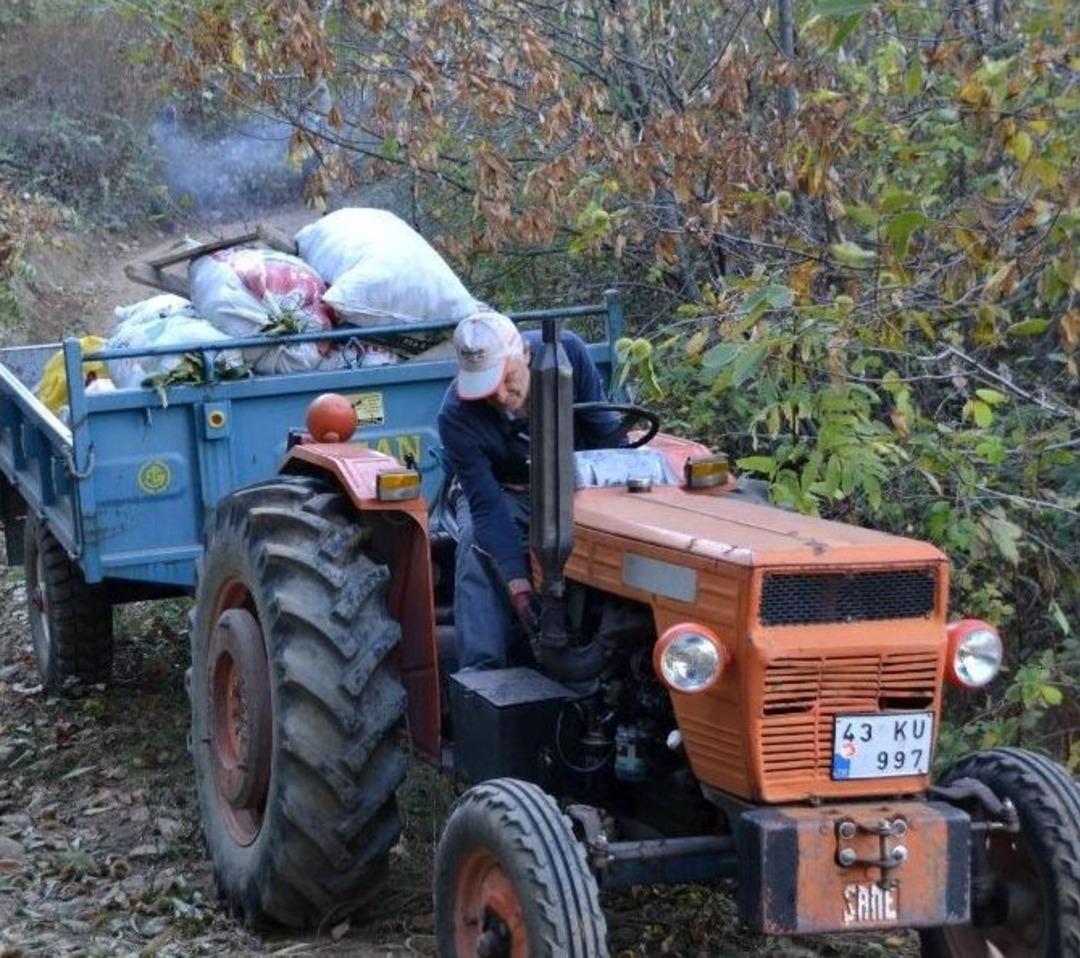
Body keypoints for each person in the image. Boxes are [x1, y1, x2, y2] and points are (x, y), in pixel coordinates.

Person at [437, 311, 623, 670]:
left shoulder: (567, 354)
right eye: (488, 391)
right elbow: (487, 507)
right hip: (505, 491)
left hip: (577, 485)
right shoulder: (456, 417)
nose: (502, 397)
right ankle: (482, 673)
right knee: (476, 542)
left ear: (524, 353)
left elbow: (607, 434)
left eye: (507, 380)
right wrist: (518, 587)